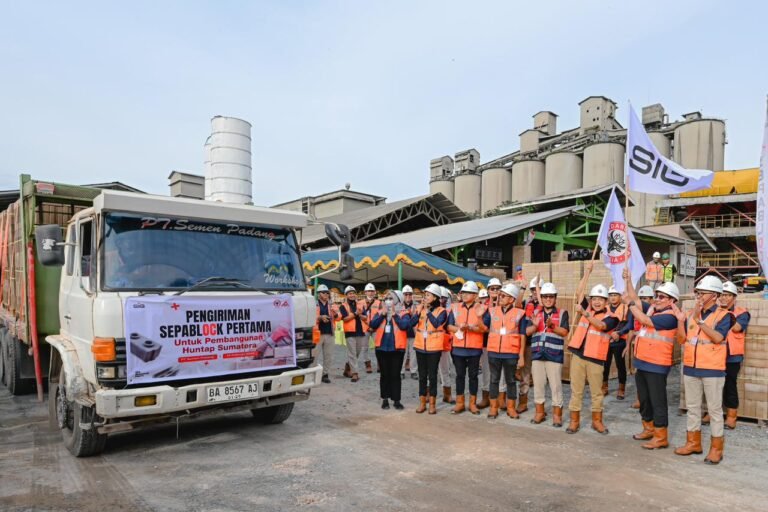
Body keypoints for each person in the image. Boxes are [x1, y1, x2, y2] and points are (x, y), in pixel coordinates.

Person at [674, 276, 732, 465]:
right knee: (692, 408)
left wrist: (700, 322)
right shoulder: (691, 313)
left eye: (703, 293)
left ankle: (716, 449)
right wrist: (680, 322)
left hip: (712, 370)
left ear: (714, 295)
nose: (698, 295)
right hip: (691, 368)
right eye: (698, 292)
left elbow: (717, 337)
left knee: (714, 411)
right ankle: (693, 443)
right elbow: (682, 340)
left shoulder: (724, 316)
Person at [622, 269, 680, 450]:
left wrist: (630, 304)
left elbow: (644, 320)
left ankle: (661, 436)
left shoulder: (670, 317)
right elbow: (637, 300)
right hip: (643, 363)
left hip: (657, 365)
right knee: (645, 399)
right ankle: (648, 428)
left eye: (663, 297)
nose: (658, 299)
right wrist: (629, 280)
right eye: (657, 295)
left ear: (672, 301)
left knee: (658, 401)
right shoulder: (655, 310)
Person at [566, 283, 619, 435]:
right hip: (578, 355)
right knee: (576, 391)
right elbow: (579, 291)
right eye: (594, 298)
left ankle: (597, 421)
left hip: (595, 359)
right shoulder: (587, 308)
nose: (597, 302)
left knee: (597, 392)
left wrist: (585, 313)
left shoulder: (612, 318)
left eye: (600, 299)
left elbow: (602, 326)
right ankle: (574, 421)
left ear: (606, 302)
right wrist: (587, 272)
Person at [703, 281, 749, 430]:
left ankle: (731, 416)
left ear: (734, 298)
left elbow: (737, 328)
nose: (724, 298)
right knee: (713, 386)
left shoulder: (742, 313)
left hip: (732, 356)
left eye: (728, 295)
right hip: (715, 354)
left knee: (729, 385)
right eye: (722, 295)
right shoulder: (713, 312)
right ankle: (711, 413)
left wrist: (726, 315)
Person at [527, 282, 569, 427]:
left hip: (554, 355)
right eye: (545, 297)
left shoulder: (562, 313)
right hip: (538, 354)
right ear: (542, 298)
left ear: (555, 298)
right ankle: (540, 413)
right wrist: (534, 325)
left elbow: (564, 332)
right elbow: (527, 332)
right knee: (538, 385)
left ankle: (557, 415)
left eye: (551, 296)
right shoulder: (536, 313)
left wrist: (552, 326)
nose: (548, 299)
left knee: (556, 386)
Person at [448, 281, 489, 415]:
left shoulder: (482, 309)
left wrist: (470, 328)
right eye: (463, 293)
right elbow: (448, 326)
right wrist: (459, 328)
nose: (465, 295)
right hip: (458, 348)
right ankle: (460, 403)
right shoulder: (455, 307)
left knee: (473, 376)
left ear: (475, 295)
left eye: (468, 293)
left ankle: (472, 404)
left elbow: (484, 329)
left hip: (474, 349)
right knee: (459, 376)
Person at [486, 284, 526, 419]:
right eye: (500, 295)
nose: (500, 297)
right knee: (494, 380)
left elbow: (522, 335)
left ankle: (511, 408)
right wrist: (479, 318)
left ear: (512, 299)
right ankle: (493, 408)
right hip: (493, 352)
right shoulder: (491, 311)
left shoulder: (520, 314)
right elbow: (484, 328)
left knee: (511, 381)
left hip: (510, 353)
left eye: (503, 295)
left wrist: (521, 356)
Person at [370, 291, 412, 410]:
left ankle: (396, 400)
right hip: (382, 348)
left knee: (395, 375)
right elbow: (372, 324)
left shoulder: (404, 313)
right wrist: (383, 315)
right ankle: (385, 399)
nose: (388, 301)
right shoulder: (379, 312)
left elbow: (405, 326)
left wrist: (394, 315)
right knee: (384, 375)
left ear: (398, 300)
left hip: (397, 349)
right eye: (386, 299)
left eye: (391, 298)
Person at [412, 283, 448, 414]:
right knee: (422, 376)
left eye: (428, 295)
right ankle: (422, 402)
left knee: (432, 376)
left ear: (436, 297)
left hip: (434, 348)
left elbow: (437, 324)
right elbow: (411, 324)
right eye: (425, 295)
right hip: (420, 346)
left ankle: (432, 404)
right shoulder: (420, 309)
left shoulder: (442, 311)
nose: (425, 297)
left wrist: (427, 311)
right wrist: (418, 311)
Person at [515, 276, 541, 414]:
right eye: (533, 290)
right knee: (525, 374)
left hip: (539, 343)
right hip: (526, 342)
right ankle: (522, 402)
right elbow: (517, 306)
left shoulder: (545, 305)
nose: (535, 292)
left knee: (538, 376)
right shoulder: (526, 303)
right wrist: (522, 289)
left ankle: (540, 405)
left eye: (537, 289)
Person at [626, 285, 654, 409]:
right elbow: (631, 330)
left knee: (651, 378)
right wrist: (627, 346)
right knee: (639, 376)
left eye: (646, 298)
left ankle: (650, 400)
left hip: (651, 350)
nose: (643, 301)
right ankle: (639, 399)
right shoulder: (635, 314)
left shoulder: (654, 312)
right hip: (638, 349)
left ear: (652, 300)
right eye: (641, 298)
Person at [479, 278, 504, 410]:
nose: (495, 291)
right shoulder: (483, 306)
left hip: (502, 344)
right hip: (486, 343)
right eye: (492, 288)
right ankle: (486, 397)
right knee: (486, 372)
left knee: (502, 373)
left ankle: (501, 398)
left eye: (497, 288)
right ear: (488, 290)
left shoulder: (505, 304)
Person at [602, 286, 629, 400]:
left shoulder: (625, 308)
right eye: (611, 295)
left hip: (619, 341)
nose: (613, 298)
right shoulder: (605, 308)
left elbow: (628, 323)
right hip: (606, 340)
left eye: (615, 295)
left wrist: (619, 332)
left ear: (620, 296)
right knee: (605, 365)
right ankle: (604, 387)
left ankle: (621, 388)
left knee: (620, 365)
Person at [339, 286, 367, 382]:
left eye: (353, 293)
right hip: (350, 332)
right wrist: (355, 314)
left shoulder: (360, 305)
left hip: (360, 331)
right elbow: (345, 319)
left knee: (357, 352)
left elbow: (365, 317)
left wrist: (360, 315)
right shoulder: (343, 306)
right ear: (346, 295)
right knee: (352, 353)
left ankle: (348, 367)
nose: (352, 295)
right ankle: (355, 373)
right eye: (350, 293)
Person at [311, 284, 338, 384]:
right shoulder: (314, 304)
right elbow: (310, 317)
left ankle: (325, 374)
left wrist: (335, 314)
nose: (326, 294)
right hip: (317, 333)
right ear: (318, 294)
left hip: (329, 333)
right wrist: (320, 318)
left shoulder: (332, 304)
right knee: (314, 355)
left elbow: (338, 317)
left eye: (327, 292)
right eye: (323, 292)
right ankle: (312, 374)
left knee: (328, 356)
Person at [438, 286, 455, 405]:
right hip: (430, 344)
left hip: (444, 344)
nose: (441, 300)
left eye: (443, 298)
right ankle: (428, 394)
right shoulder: (430, 310)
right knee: (430, 371)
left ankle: (447, 394)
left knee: (445, 370)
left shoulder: (449, 312)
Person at [400, 285, 419, 381]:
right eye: (406, 294)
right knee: (402, 353)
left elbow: (419, 318)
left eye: (410, 294)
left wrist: (412, 314)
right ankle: (401, 371)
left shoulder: (417, 305)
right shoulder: (398, 305)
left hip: (413, 332)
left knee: (413, 353)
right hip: (402, 333)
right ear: (403, 295)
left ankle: (413, 371)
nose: (408, 296)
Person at [361, 283, 381, 374]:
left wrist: (374, 326)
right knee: (364, 348)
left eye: (372, 291)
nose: (370, 293)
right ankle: (367, 365)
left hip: (375, 328)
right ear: (365, 292)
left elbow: (381, 315)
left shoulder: (379, 303)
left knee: (378, 347)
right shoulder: (360, 303)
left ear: (375, 292)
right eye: (368, 291)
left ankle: (379, 364)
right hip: (364, 328)